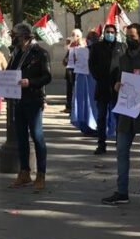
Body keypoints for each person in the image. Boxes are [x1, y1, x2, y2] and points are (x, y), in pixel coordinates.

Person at [101, 23, 140, 208]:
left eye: (133, 36)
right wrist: (117, 86)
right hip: (126, 112)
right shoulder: (123, 59)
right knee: (122, 152)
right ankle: (122, 192)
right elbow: (119, 79)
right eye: (127, 36)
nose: (129, 39)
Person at [5, 23, 52, 190]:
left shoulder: (40, 53)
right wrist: (0, 80)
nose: (13, 39)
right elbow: (10, 72)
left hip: (33, 99)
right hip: (18, 100)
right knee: (21, 137)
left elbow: (47, 77)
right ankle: (24, 172)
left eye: (15, 36)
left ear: (25, 36)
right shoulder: (16, 53)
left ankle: (41, 174)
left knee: (37, 137)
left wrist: (30, 82)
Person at [88, 24, 124, 154]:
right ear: (104, 33)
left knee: (118, 117)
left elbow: (125, 65)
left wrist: (120, 80)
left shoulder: (121, 47)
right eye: (108, 32)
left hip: (117, 87)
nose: (110, 34)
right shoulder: (97, 47)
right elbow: (92, 65)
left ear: (115, 33)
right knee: (101, 117)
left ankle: (120, 143)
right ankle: (101, 144)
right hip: (102, 86)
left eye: (112, 32)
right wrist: (99, 77)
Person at [63, 29, 83, 114]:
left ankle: (76, 106)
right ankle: (69, 106)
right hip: (69, 69)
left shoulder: (81, 46)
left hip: (77, 70)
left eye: (74, 35)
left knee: (76, 88)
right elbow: (65, 59)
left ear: (78, 36)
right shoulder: (70, 46)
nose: (72, 36)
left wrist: (77, 58)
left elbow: (83, 59)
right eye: (72, 34)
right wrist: (65, 59)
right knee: (69, 89)